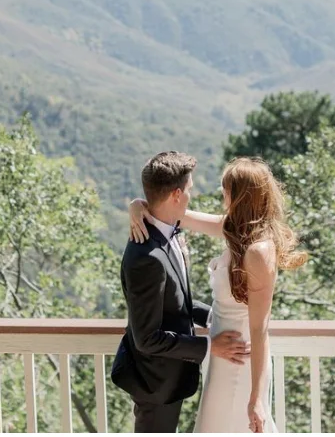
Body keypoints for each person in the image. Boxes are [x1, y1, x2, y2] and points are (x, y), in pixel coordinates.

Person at [129, 156, 307, 433]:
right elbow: (173, 212)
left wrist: (256, 398)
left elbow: (260, 329)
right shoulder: (235, 230)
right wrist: (137, 206)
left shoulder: (259, 251)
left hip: (240, 356)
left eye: (226, 190)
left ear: (240, 196)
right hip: (220, 353)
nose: (221, 194)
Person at [112, 151, 251, 433]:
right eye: (189, 190)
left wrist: (219, 316)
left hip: (171, 378)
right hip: (155, 382)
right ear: (176, 195)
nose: (192, 195)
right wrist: (212, 346)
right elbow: (146, 339)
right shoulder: (146, 256)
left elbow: (176, 303)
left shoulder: (166, 230)